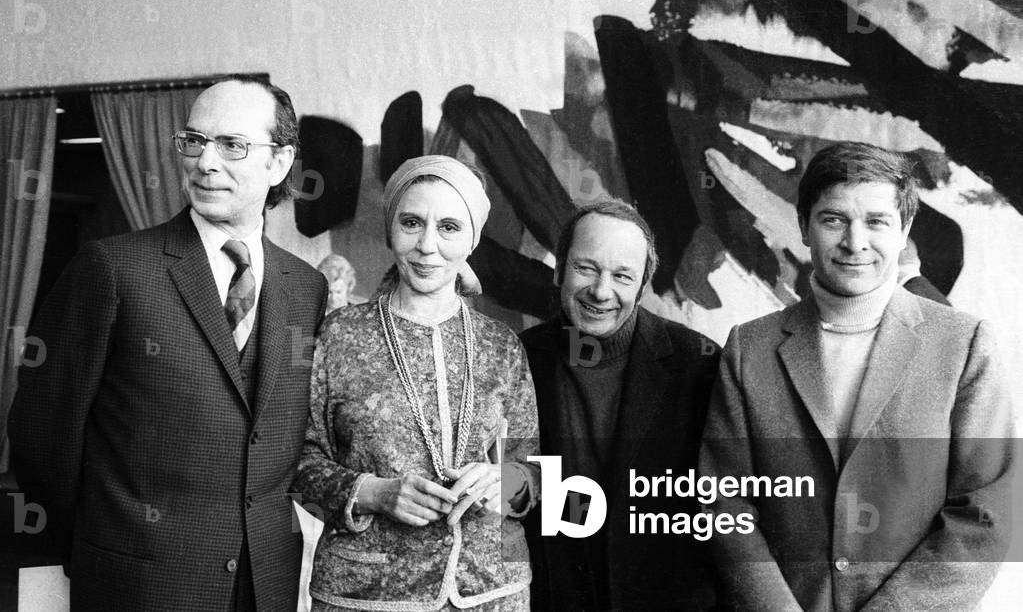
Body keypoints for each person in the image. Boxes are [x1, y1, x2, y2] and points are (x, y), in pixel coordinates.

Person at [8, 76, 328, 611]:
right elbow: (43, 437)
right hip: (137, 584)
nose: (205, 161)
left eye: (232, 145)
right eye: (194, 141)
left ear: (279, 163)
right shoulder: (112, 269)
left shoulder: (305, 286)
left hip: (268, 585)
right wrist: (98, 545)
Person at [699, 142, 1014, 611]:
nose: (855, 241)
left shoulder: (964, 344)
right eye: (834, 219)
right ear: (805, 227)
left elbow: (989, 512)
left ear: (904, 228)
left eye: (876, 221)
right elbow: (723, 507)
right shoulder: (750, 348)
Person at [294, 155, 540, 610]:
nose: (428, 245)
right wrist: (375, 494)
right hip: (365, 596)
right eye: (412, 223)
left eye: (449, 227)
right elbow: (295, 463)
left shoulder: (501, 345)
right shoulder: (338, 335)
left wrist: (500, 482)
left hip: (493, 592)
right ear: (391, 229)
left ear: (472, 239)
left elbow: (535, 473)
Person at [520, 199, 722, 611]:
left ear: (642, 286)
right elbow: (511, 487)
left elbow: (725, 504)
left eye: (622, 276)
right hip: (554, 597)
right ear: (559, 269)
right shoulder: (520, 357)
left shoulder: (698, 363)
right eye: (586, 268)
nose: (600, 291)